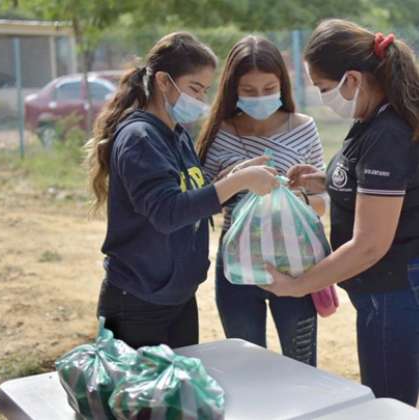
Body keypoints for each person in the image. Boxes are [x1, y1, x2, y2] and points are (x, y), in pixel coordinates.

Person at [85, 32, 279, 349]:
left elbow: (193, 198)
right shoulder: (140, 137)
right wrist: (238, 182)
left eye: (204, 90)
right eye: (194, 88)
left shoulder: (176, 134)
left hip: (176, 297)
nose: (200, 100)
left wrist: (234, 175)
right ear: (164, 81)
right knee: (143, 398)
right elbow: (168, 212)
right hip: (139, 302)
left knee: (176, 396)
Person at [264, 19, 419, 405]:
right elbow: (373, 186)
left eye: (323, 87)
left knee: (389, 404)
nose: (322, 97)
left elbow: (370, 245)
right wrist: (322, 181)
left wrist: (300, 284)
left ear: (353, 79)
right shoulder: (371, 117)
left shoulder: (388, 133)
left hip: (395, 292)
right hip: (382, 292)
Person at [196, 35, 327, 366]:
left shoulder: (304, 128)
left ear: (282, 83)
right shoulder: (220, 132)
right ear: (232, 90)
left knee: (301, 367)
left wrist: (303, 193)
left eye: (269, 88)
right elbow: (203, 201)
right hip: (238, 265)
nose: (261, 98)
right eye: (249, 91)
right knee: (246, 366)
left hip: (296, 263)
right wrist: (235, 177)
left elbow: (322, 204)